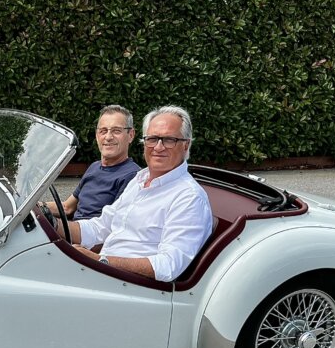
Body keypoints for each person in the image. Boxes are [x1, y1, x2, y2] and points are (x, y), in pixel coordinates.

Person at [61, 105, 214, 282]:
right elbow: (100, 227)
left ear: (186, 145)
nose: (158, 147)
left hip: (131, 286)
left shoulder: (189, 197)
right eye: (152, 139)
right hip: (103, 273)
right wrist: (51, 223)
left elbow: (167, 266)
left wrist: (100, 260)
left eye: (169, 140)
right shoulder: (139, 180)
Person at [46, 105, 141, 220]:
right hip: (75, 227)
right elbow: (67, 207)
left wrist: (56, 225)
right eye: (103, 131)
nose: (108, 137)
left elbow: (112, 225)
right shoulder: (94, 167)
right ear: (97, 135)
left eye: (116, 131)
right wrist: (36, 206)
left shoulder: (133, 176)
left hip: (88, 230)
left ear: (131, 135)